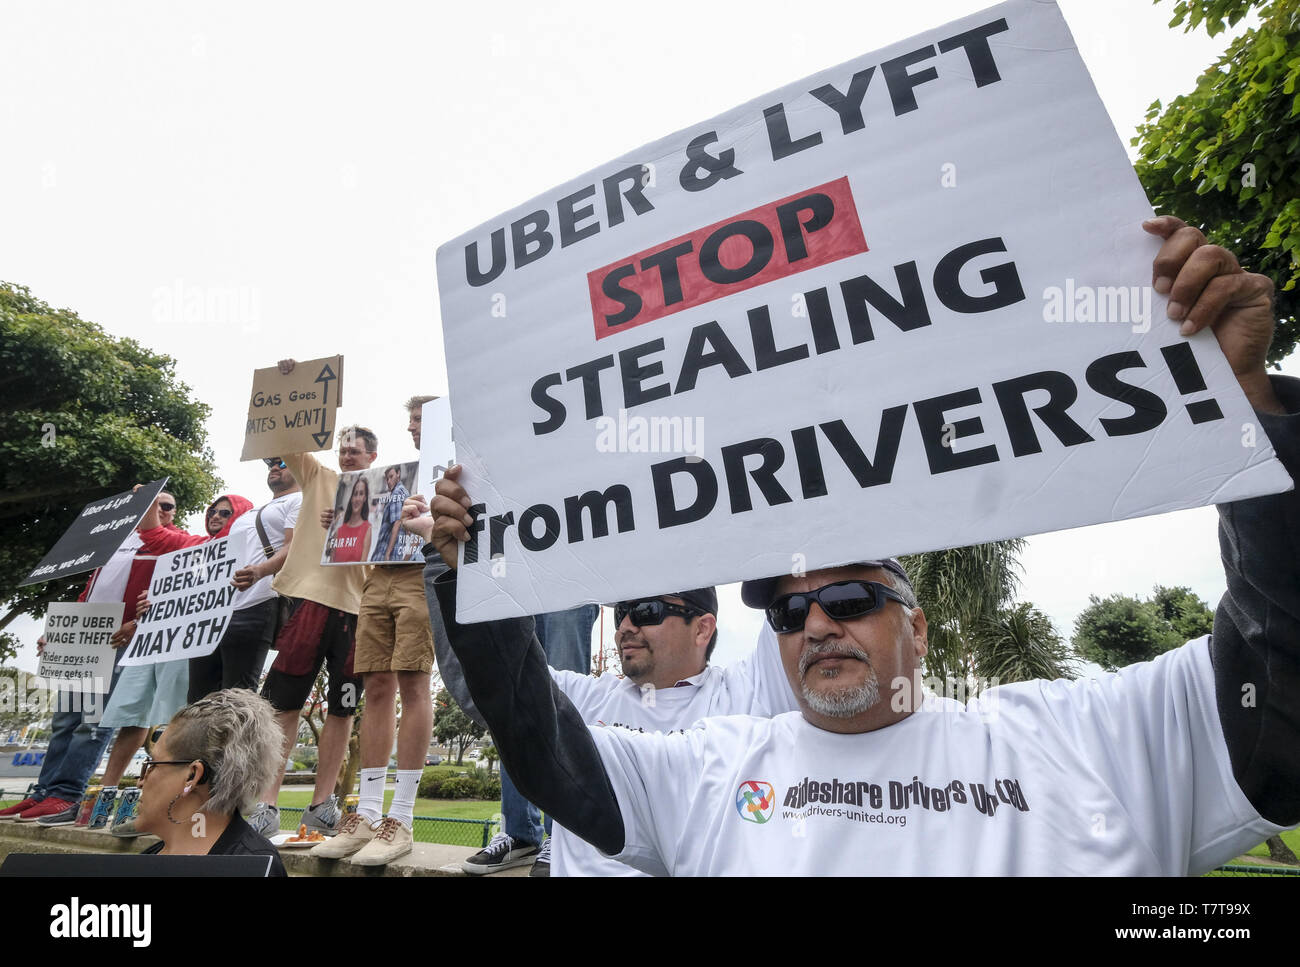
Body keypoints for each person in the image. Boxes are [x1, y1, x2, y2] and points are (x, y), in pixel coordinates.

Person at [425, 217, 1300, 875]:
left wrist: (1247, 408)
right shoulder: (712, 769)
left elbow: (1280, 664)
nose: (815, 623)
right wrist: (468, 575)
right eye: (789, 609)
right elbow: (539, 738)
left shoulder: (1085, 735)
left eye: (849, 600)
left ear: (918, 630)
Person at [403, 493, 795, 876]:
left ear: (703, 629)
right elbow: (488, 682)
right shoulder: (587, 698)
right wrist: (449, 561)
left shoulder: (750, 694)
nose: (625, 626)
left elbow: (803, 573)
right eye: (622, 611)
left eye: (645, 611)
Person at [309, 396, 440, 866]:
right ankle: (365, 814)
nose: (413, 428)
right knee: (377, 687)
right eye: (410, 421)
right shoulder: (385, 478)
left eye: (421, 419)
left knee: (413, 682)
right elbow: (364, 530)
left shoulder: (453, 466)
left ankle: (400, 817)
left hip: (421, 575)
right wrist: (338, 525)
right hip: (376, 579)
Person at [0, 491, 180, 826]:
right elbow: (91, 591)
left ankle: (68, 794)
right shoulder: (114, 544)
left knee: (91, 721)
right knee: (64, 720)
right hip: (84, 641)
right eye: (151, 503)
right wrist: (57, 631)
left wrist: (138, 624)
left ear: (172, 513)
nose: (158, 509)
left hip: (118, 642)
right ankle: (44, 793)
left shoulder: (173, 543)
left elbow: (169, 595)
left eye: (165, 505)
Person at [251, 403, 378, 838]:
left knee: (342, 710)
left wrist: (358, 520)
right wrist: (291, 388)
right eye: (343, 449)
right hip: (308, 601)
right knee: (284, 706)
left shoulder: (385, 495)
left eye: (356, 452)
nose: (347, 456)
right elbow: (287, 442)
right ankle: (266, 803)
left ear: (371, 459)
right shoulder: (318, 478)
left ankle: (322, 804)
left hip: (358, 610)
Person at [96, 491, 252, 828]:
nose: (215, 516)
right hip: (152, 639)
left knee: (173, 725)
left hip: (188, 648)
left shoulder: (245, 552)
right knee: (130, 718)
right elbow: (153, 534)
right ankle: (106, 795)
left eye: (225, 513)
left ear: (240, 517)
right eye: (212, 510)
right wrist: (148, 497)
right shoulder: (188, 544)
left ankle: (159, 807)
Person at [136, 689, 287, 876]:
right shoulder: (147, 860)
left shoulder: (251, 868)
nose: (140, 782)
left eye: (152, 765)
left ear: (193, 776)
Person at [187, 458, 302, 701]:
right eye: (271, 464)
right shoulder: (251, 513)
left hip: (256, 603)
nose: (274, 467)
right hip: (216, 610)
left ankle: (233, 741)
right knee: (199, 696)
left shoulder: (299, 501)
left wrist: (261, 570)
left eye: (283, 463)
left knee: (236, 697)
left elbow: (295, 545)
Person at [371, 466, 411, 562]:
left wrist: (388, 553)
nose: (388, 481)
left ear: (398, 473)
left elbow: (397, 522)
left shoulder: (397, 493)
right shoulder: (404, 491)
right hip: (397, 547)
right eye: (387, 479)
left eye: (391, 477)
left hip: (387, 549)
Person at [328, 476, 372, 564]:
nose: (357, 499)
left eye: (361, 494)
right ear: (351, 498)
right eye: (355, 494)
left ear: (365, 498)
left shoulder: (367, 529)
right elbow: (330, 562)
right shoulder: (339, 531)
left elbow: (362, 566)